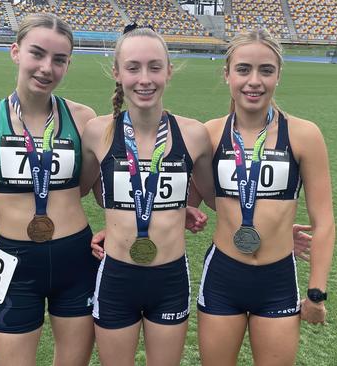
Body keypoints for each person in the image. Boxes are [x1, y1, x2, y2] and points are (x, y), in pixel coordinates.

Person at [0, 13, 100, 366]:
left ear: (68, 64)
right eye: (37, 53)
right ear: (16, 52)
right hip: (16, 264)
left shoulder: (83, 119)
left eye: (59, 59)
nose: (47, 67)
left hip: (76, 261)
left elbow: (89, 189)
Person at [194, 29, 335, 365]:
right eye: (243, 69)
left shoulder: (304, 135)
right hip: (223, 277)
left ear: (278, 75)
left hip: (277, 279)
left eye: (266, 70)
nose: (254, 81)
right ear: (226, 74)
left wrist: (316, 293)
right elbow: (178, 205)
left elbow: (324, 220)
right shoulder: (208, 134)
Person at [77, 25, 216, 366]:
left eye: (155, 67)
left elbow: (217, 195)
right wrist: (119, 220)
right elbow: (78, 190)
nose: (145, 79)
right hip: (116, 277)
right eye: (133, 67)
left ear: (169, 70)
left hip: (169, 279)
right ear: (117, 72)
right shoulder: (98, 131)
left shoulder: (194, 134)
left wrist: (179, 207)